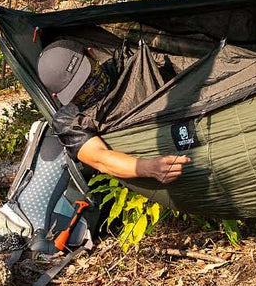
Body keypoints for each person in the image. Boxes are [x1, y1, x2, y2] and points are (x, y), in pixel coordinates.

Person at [39, 37, 190, 184]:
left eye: (87, 76)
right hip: (151, 165)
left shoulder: (128, 63)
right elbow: (101, 158)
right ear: (57, 96)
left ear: (92, 53)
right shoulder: (68, 121)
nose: (89, 88)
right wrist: (150, 168)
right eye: (78, 90)